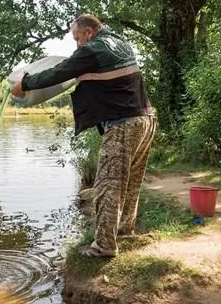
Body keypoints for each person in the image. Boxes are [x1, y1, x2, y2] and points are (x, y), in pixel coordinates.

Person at [11, 13, 156, 258]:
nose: (77, 44)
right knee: (130, 182)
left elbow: (59, 72)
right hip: (146, 119)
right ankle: (124, 228)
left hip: (123, 124)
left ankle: (104, 246)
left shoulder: (92, 49)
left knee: (107, 186)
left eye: (77, 38)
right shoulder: (120, 42)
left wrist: (25, 83)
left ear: (89, 32)